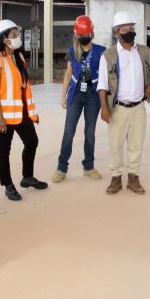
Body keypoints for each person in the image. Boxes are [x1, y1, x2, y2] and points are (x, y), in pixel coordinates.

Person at [97, 11, 150, 195]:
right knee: (115, 145)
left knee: (136, 145)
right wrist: (104, 108)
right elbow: (102, 84)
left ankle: (133, 179)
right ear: (117, 32)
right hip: (118, 108)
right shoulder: (108, 55)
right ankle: (116, 178)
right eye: (125, 30)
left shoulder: (143, 51)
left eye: (132, 29)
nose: (129, 32)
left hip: (138, 107)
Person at [0, 19, 48, 201]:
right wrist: (0, 119)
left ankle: (27, 177)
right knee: (4, 149)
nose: (17, 38)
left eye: (17, 34)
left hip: (20, 112)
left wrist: (31, 113)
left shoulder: (19, 57)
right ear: (4, 39)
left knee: (32, 142)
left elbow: (23, 88)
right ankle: (8, 185)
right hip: (3, 116)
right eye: (13, 35)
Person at [53, 15, 105, 183]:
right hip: (75, 94)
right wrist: (63, 96)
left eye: (86, 34)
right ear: (76, 35)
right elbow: (68, 73)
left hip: (93, 95)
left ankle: (88, 167)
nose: (84, 37)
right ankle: (61, 168)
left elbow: (106, 77)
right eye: (81, 35)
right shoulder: (72, 51)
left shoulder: (100, 51)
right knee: (69, 132)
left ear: (92, 33)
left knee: (90, 133)